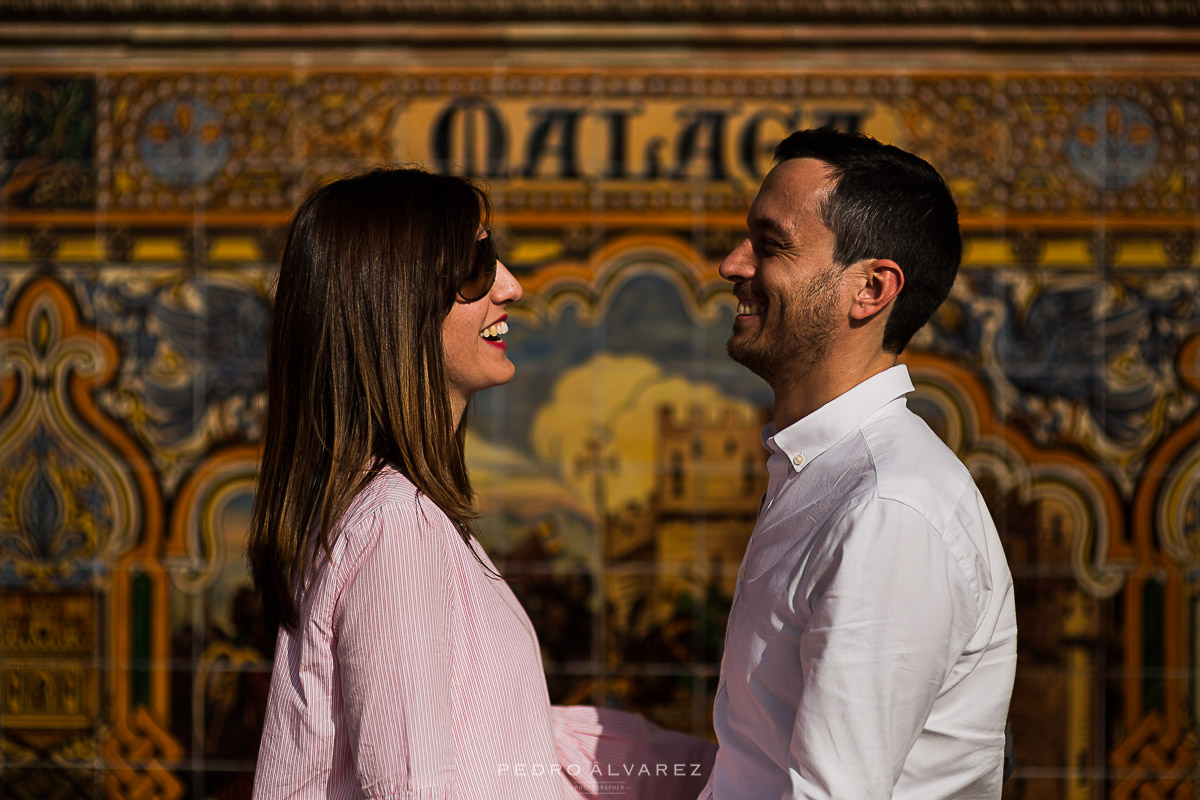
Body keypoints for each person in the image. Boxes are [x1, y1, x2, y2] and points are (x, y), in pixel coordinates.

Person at [247, 167, 715, 800]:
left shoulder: (384, 513)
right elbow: (418, 787)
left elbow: (502, 743)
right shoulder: (395, 523)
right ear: (394, 298)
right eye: (476, 264)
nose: (511, 286)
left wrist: (715, 766)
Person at [699, 129, 1017, 799]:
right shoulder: (824, 472)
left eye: (771, 244)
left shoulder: (887, 507)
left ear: (870, 288)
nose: (734, 265)